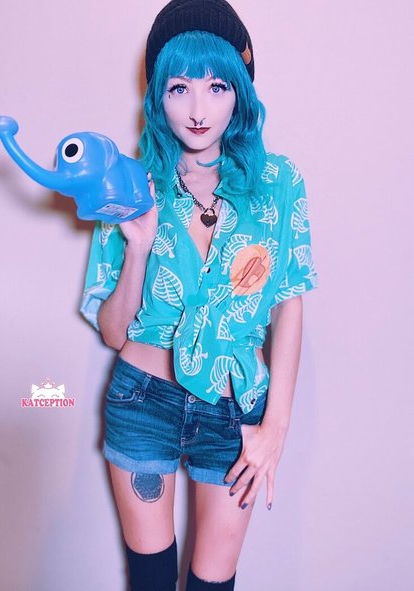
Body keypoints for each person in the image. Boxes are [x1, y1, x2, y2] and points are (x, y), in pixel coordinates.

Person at [80, 0, 317, 589]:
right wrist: (138, 247)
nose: (197, 109)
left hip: (234, 411)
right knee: (151, 580)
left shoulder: (279, 183)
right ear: (157, 95)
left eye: (216, 87)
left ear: (240, 91)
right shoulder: (130, 183)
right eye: (179, 88)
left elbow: (289, 303)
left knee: (215, 583)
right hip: (143, 399)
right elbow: (113, 331)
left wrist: (275, 428)